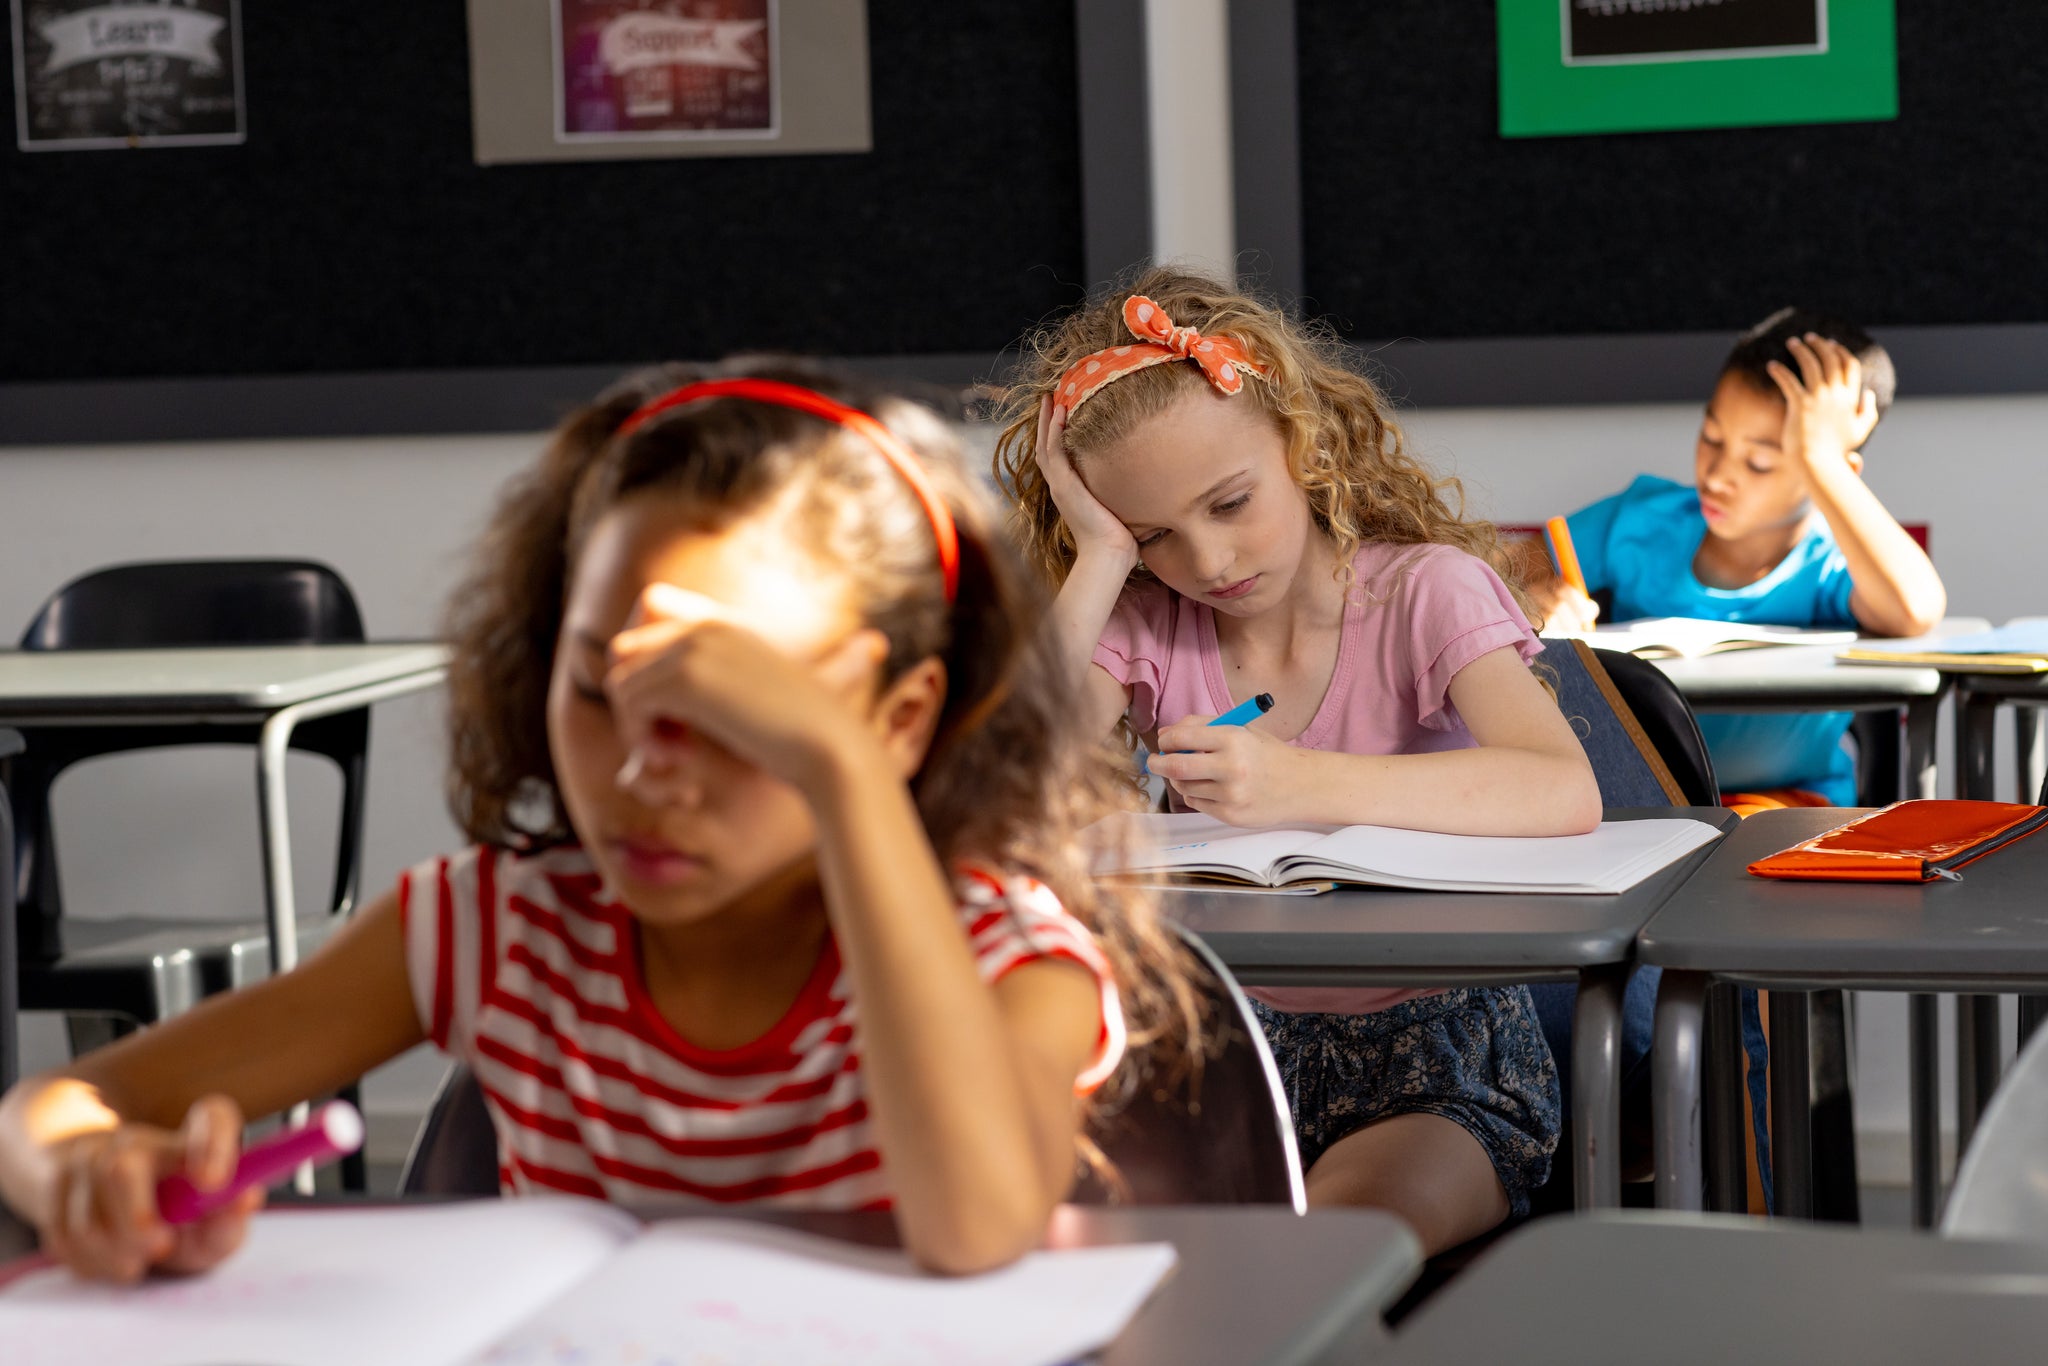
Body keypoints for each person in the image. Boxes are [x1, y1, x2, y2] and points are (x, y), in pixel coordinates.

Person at [0, 360, 1200, 1282]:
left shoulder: (1009, 954)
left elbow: (976, 1225)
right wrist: (85, 1171)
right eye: (597, 689)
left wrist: (840, 780)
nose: (641, 768)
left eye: (738, 713)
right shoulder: (494, 928)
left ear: (893, 721)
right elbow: (61, 1102)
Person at [994, 266, 1601, 1255]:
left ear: (1301, 442)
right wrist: (1099, 558)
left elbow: (1560, 786)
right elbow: (1001, 789)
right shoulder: (1147, 616)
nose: (1207, 560)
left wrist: (1299, 785)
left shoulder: (1423, 592)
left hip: (1433, 1061)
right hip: (1212, 1051)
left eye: (1229, 502)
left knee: (1310, 1257)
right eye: (1155, 535)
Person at [1518, 307, 1946, 811]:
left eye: (1761, 462)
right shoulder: (1642, 519)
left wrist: (1822, 458)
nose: (1719, 474)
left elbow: (1915, 609)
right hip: (1646, 801)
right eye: (1712, 438)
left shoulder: (1835, 564)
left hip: (1793, 811)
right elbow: (1508, 560)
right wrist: (1535, 589)